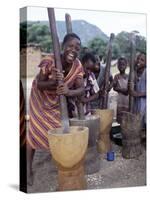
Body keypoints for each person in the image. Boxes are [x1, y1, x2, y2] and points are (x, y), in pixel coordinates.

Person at [27, 33, 84, 186]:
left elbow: (81, 89)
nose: (73, 50)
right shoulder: (49, 61)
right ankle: (27, 171)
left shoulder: (78, 65)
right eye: (70, 46)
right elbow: (40, 84)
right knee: (34, 132)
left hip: (57, 100)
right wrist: (54, 81)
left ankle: (62, 160)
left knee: (58, 129)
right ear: (63, 46)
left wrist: (68, 92)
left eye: (77, 48)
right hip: (40, 99)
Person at [129, 52, 146, 131]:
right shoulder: (135, 73)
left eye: (142, 60)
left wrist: (137, 94)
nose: (139, 61)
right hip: (137, 104)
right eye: (138, 59)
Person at [113, 57, 129, 123]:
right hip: (120, 101)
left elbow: (129, 90)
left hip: (127, 101)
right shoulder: (116, 76)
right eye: (119, 64)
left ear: (126, 65)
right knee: (120, 117)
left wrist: (125, 90)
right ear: (117, 66)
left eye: (123, 64)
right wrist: (122, 90)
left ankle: (125, 131)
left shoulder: (129, 76)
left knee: (127, 118)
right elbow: (114, 87)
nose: (121, 66)